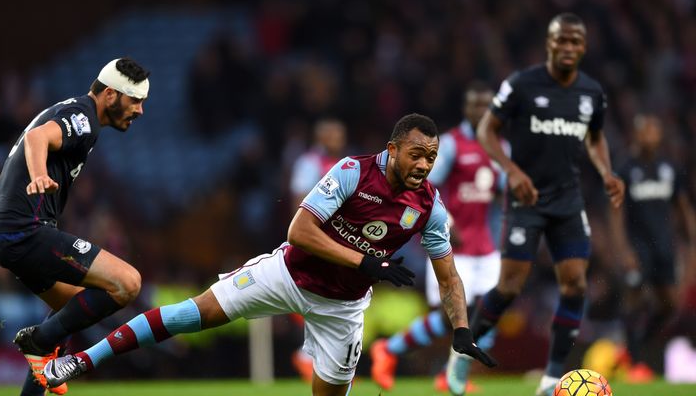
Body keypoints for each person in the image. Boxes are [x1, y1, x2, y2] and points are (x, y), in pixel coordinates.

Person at [43, 113, 497, 396]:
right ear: (393, 149)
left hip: (342, 308)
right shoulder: (351, 173)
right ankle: (80, 362)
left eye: (432, 157)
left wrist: (460, 328)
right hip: (287, 273)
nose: (423, 164)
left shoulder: (428, 207)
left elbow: (449, 274)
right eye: (416, 154)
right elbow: (299, 231)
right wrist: (364, 261)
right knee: (191, 313)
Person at [449, 13, 625, 396]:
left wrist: (606, 172)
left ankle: (551, 377)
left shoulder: (591, 93)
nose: (567, 47)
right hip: (526, 200)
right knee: (510, 286)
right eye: (560, 40)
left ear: (583, 47)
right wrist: (511, 172)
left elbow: (595, 138)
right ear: (549, 43)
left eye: (575, 42)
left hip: (568, 199)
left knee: (576, 283)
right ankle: (463, 351)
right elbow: (486, 130)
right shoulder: (522, 84)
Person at [0, 58, 150, 396]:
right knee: (127, 284)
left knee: (72, 309)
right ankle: (36, 340)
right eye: (135, 100)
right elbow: (36, 138)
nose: (140, 110)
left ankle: (37, 370)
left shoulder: (76, 111)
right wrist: (40, 174)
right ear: (111, 96)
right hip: (24, 230)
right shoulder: (84, 117)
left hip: (3, 233)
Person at [370, 82, 505, 392]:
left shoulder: (500, 147)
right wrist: (450, 221)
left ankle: (450, 375)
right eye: (476, 105)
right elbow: (422, 183)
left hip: (487, 248)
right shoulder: (451, 145)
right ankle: (390, 350)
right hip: (455, 246)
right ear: (467, 109)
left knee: (489, 316)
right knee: (452, 318)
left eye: (488, 106)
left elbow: (501, 193)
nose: (482, 112)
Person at [609, 113, 696, 382]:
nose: (649, 136)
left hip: (665, 247)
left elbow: (683, 208)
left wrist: (691, 238)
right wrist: (623, 250)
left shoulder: (669, 168)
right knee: (634, 297)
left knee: (669, 305)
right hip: (638, 246)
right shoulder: (624, 169)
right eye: (644, 131)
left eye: (654, 131)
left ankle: (635, 343)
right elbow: (616, 212)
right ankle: (635, 361)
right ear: (635, 135)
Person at [288, 118, 348, 382]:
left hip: (338, 241)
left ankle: (311, 359)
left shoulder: (345, 164)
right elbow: (298, 200)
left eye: (340, 134)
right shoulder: (309, 163)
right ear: (320, 137)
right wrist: (303, 237)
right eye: (333, 134)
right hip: (316, 240)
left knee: (330, 297)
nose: (338, 139)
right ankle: (308, 358)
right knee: (318, 295)